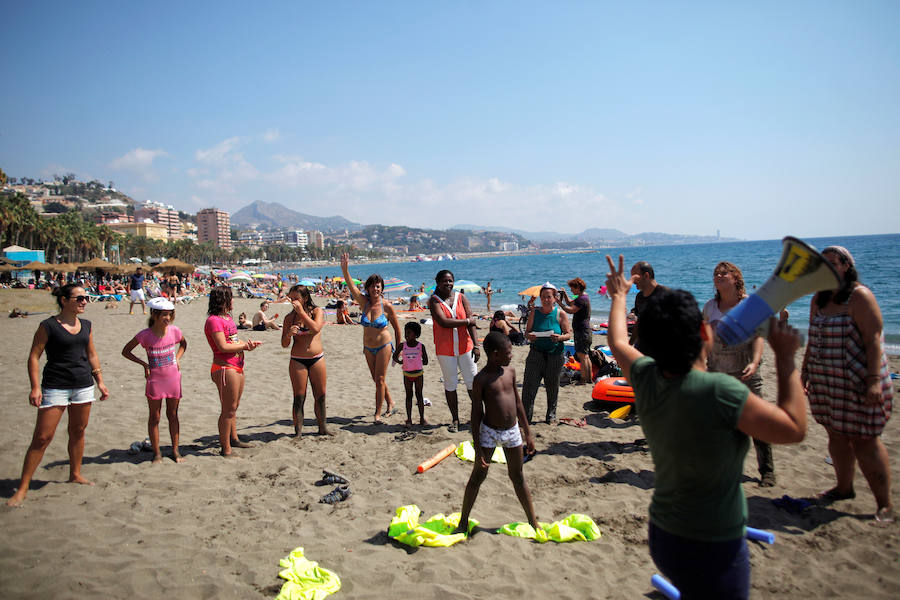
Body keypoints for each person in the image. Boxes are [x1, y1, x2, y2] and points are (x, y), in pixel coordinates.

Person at [604, 254, 807, 599]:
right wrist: (786, 359)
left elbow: (618, 343)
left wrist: (619, 297)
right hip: (715, 541)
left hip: (664, 535)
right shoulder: (721, 392)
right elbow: (794, 429)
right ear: (703, 332)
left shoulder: (646, 376)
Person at [802, 245, 894, 522]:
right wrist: (804, 371)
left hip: (859, 380)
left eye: (832, 262)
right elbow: (811, 338)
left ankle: (884, 504)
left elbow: (873, 341)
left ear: (845, 266)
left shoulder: (860, 297)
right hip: (827, 381)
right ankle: (844, 488)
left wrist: (873, 381)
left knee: (865, 440)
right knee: (836, 436)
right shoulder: (819, 298)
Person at [7, 283, 110, 507]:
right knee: (43, 437)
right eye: (79, 298)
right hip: (55, 385)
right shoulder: (48, 326)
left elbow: (91, 354)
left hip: (82, 384)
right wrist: (35, 387)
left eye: (86, 298)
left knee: (78, 430)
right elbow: (34, 356)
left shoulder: (86, 325)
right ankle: (23, 487)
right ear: (64, 300)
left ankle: (75, 473)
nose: (84, 302)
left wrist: (100, 382)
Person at [455, 332, 537, 534]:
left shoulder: (510, 372)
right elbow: (476, 414)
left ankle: (533, 522)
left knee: (517, 476)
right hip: (489, 432)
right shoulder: (481, 379)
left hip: (512, 432)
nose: (511, 356)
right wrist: (478, 448)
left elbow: (518, 403)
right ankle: (463, 522)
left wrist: (528, 432)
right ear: (495, 355)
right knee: (477, 476)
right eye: (508, 352)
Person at [703, 262, 776, 487]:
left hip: (746, 371)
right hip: (718, 372)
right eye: (715, 273)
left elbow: (759, 337)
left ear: (736, 277)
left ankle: (767, 472)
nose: (718, 276)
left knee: (756, 421)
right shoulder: (710, 307)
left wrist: (755, 362)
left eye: (723, 273)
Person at [121, 297, 187, 463]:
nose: (167, 318)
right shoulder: (145, 335)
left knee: (173, 415)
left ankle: (175, 451)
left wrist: (177, 358)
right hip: (155, 380)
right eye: (164, 314)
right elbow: (126, 351)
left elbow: (184, 344)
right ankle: (157, 453)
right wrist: (144, 364)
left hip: (173, 377)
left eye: (170, 314)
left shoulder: (174, 331)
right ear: (154, 314)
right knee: (154, 417)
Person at [340, 253, 402, 424]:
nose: (376, 289)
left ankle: (377, 413)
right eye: (373, 286)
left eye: (378, 286)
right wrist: (345, 270)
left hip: (384, 346)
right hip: (367, 347)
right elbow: (352, 287)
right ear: (368, 288)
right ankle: (390, 402)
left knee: (380, 379)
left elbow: (397, 330)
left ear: (382, 288)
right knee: (377, 379)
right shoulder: (364, 302)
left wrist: (398, 351)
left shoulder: (387, 306)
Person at [204, 286, 261, 457]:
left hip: (236, 366)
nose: (233, 300)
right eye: (231, 297)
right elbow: (222, 346)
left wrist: (247, 344)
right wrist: (244, 346)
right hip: (224, 367)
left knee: (233, 407)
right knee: (228, 409)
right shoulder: (214, 320)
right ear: (223, 300)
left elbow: (233, 339)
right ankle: (226, 449)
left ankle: (234, 439)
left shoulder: (227, 318)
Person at [428, 269, 481, 432]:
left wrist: (477, 345)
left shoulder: (461, 297)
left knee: (473, 383)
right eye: (444, 281)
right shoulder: (433, 301)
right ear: (437, 282)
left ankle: (479, 417)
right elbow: (443, 322)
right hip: (445, 350)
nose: (448, 284)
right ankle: (455, 419)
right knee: (451, 384)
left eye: (450, 281)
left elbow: (472, 323)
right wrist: (466, 320)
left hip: (466, 347)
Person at [281, 285, 331, 438]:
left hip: (317, 359)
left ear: (305, 298)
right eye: (292, 298)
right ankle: (298, 432)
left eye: (296, 298)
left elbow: (316, 328)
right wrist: (289, 334)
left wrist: (301, 313)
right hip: (298, 360)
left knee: (320, 395)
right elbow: (284, 344)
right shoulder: (289, 318)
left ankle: (322, 428)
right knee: (299, 397)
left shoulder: (317, 312)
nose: (293, 302)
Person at [522, 283, 571, 424]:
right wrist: (529, 336)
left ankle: (551, 415)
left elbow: (568, 334)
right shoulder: (534, 313)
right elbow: (526, 332)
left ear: (555, 298)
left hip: (555, 355)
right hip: (536, 354)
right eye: (543, 297)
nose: (546, 300)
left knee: (552, 386)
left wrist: (559, 337)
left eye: (549, 297)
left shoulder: (560, 314)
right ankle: (526, 417)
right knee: (529, 386)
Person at [394, 321, 430, 429]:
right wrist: (400, 362)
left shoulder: (420, 346)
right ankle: (409, 419)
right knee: (409, 396)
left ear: (416, 335)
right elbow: (394, 356)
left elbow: (426, 361)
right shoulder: (402, 345)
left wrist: (416, 362)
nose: (406, 335)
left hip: (419, 375)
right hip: (407, 375)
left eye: (409, 333)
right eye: (405, 333)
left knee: (419, 396)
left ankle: (422, 418)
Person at [557, 277, 592, 385]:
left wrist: (560, 304)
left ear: (578, 287)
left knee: (583, 356)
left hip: (582, 330)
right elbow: (570, 302)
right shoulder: (582, 297)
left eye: (572, 288)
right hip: (584, 330)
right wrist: (565, 294)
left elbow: (571, 310)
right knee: (585, 355)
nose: (572, 290)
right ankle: (588, 378)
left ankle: (583, 379)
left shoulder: (582, 299)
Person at [629, 261, 665, 350]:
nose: (633, 282)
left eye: (635, 277)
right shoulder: (639, 297)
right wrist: (630, 344)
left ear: (646, 276)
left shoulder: (666, 295)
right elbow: (640, 323)